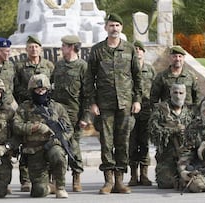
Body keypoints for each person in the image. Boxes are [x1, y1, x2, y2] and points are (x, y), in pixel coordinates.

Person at [84, 13, 142, 194]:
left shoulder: (129, 49)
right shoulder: (97, 50)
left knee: (123, 141)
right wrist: (92, 102)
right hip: (105, 104)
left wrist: (137, 100)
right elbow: (89, 79)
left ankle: (119, 181)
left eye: (117, 25)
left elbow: (137, 76)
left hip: (125, 103)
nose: (114, 29)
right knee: (106, 142)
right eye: (111, 25)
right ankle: (108, 180)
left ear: (121, 28)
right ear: (105, 28)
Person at [13, 74, 73, 198]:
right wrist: (35, 127)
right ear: (32, 91)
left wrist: (58, 139)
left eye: (43, 90)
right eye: (37, 90)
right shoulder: (24, 108)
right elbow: (16, 126)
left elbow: (69, 129)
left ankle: (60, 187)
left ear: (48, 90)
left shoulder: (57, 107)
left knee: (58, 154)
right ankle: (47, 186)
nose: (40, 93)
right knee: (38, 192)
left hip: (52, 146)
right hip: (34, 150)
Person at [13, 35, 54, 192]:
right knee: (26, 143)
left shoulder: (48, 65)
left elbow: (52, 86)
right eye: (30, 47)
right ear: (26, 49)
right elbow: (16, 87)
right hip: (27, 108)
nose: (33, 49)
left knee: (45, 142)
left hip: (43, 107)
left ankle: (48, 178)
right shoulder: (20, 66)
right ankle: (25, 180)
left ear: (40, 49)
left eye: (36, 47)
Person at [51, 35, 88, 192]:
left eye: (64, 46)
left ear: (72, 47)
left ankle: (76, 177)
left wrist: (86, 117)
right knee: (55, 144)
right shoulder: (58, 65)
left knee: (73, 146)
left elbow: (87, 94)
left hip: (74, 113)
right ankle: (55, 179)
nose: (62, 48)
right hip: (57, 113)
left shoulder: (82, 66)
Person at [149, 84, 193, 189]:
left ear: (185, 94)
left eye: (181, 93)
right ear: (170, 93)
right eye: (175, 92)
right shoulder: (160, 109)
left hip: (187, 154)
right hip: (167, 155)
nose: (178, 96)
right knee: (165, 183)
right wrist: (173, 131)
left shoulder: (191, 111)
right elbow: (153, 131)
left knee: (194, 180)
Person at [128, 40, 156, 186]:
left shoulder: (150, 70)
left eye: (140, 49)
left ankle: (144, 175)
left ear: (144, 52)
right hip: (130, 111)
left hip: (146, 111)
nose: (138, 51)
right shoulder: (127, 69)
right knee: (131, 143)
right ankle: (133, 175)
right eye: (135, 49)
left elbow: (156, 90)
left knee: (144, 143)